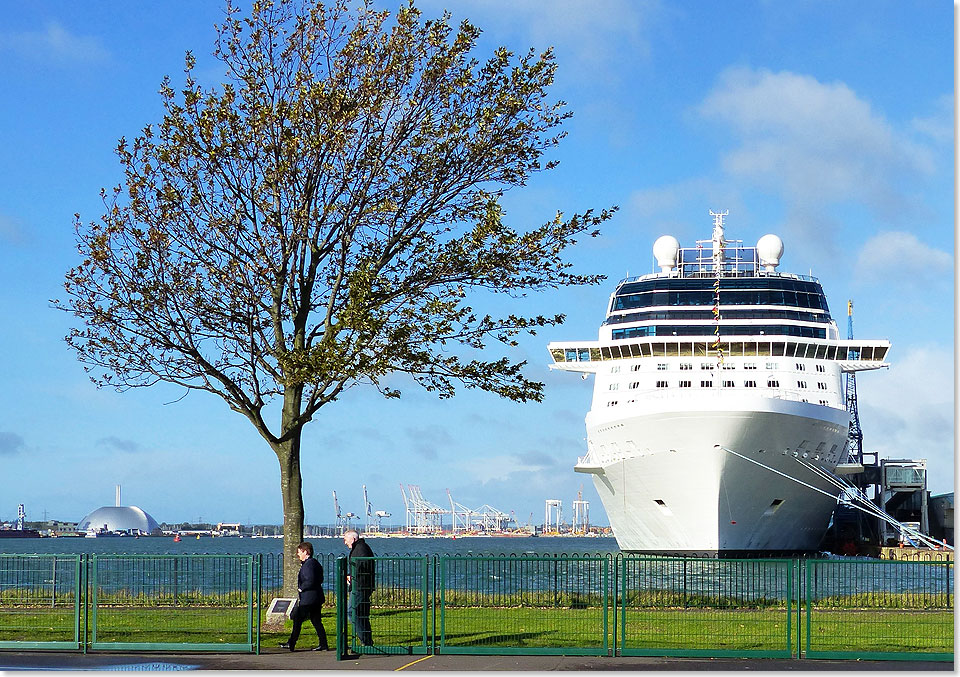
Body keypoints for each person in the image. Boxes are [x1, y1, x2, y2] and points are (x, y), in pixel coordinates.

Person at [279, 541, 329, 651]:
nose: (298, 555)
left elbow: (310, 580)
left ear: (305, 552)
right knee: (316, 621)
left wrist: (301, 588)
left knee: (297, 619)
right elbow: (320, 579)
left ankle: (291, 643)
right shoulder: (314, 563)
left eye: (299, 552)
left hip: (308, 599)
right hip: (316, 597)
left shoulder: (309, 565)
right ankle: (323, 644)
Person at [343, 530, 375, 646]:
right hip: (361, 585)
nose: (344, 542)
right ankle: (366, 641)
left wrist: (353, 577)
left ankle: (365, 641)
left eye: (346, 539)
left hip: (360, 587)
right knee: (361, 614)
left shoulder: (361, 549)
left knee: (352, 612)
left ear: (353, 539)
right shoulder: (361, 548)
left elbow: (362, 567)